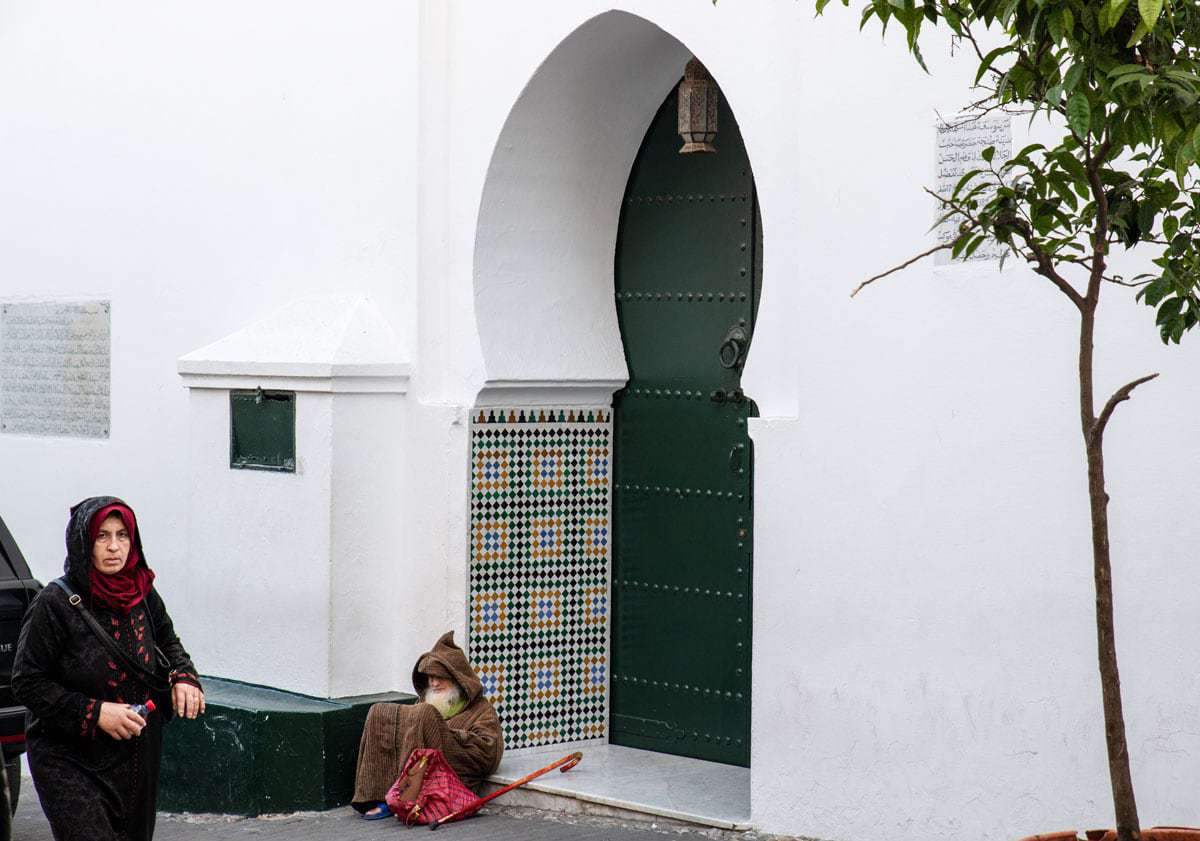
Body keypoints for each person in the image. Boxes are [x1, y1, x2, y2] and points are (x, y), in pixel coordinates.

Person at [12, 496, 204, 841]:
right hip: (69, 758)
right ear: (84, 542)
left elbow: (167, 641)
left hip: (134, 757)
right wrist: (96, 712)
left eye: (122, 535)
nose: (114, 547)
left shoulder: (141, 590)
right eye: (102, 536)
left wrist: (184, 677)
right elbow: (27, 682)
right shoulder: (54, 604)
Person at [351, 630, 503, 818]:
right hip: (426, 764)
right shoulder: (426, 703)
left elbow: (489, 753)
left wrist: (454, 735)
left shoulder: (481, 709)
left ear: (457, 679)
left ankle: (405, 797)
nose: (434, 683)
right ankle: (379, 797)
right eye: (430, 678)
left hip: (455, 773)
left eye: (440, 677)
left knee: (424, 714)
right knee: (380, 711)